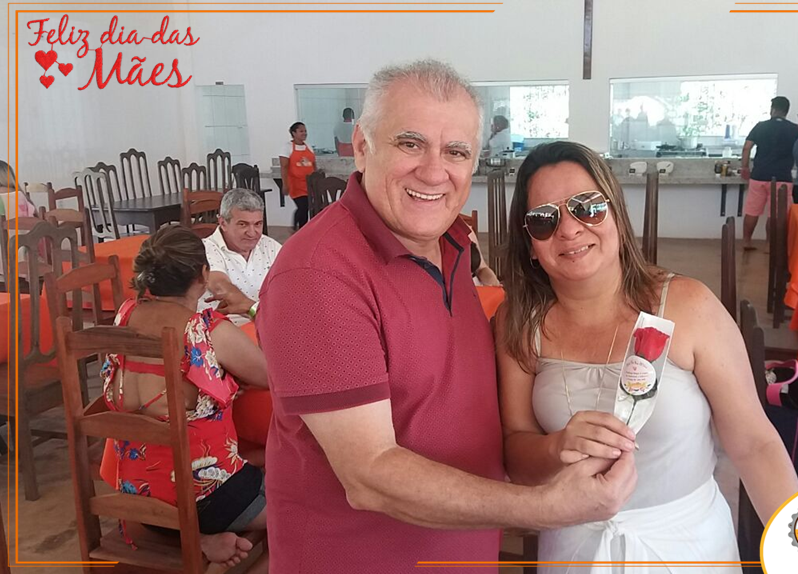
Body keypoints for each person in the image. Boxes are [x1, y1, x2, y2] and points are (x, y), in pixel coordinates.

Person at [256, 60, 636, 573]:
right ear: (362, 145)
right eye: (410, 143)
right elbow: (369, 475)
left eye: (455, 151)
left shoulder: (453, 243)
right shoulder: (318, 273)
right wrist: (543, 507)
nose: (434, 172)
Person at [497, 141, 798, 572]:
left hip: (688, 548)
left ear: (617, 215)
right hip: (574, 549)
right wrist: (556, 447)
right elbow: (516, 450)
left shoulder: (688, 305)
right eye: (544, 219)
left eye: (588, 207)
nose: (569, 230)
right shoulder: (519, 320)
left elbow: (754, 444)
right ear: (530, 244)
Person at [103, 226, 269, 572]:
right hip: (206, 501)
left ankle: (201, 541)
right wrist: (253, 311)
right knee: (307, 498)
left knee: (256, 462)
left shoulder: (124, 315)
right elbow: (273, 376)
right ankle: (214, 539)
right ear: (203, 275)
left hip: (137, 497)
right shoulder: (206, 329)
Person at [200, 189, 282, 325]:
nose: (252, 233)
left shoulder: (269, 245)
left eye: (258, 224)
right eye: (243, 224)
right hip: (223, 331)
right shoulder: (205, 249)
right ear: (223, 223)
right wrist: (257, 312)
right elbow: (220, 287)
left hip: (265, 326)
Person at [740, 96, 798, 250]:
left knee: (752, 211)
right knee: (776, 214)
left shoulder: (760, 126)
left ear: (772, 109)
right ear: (787, 111)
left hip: (759, 175)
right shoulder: (795, 129)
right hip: (782, 177)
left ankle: (746, 242)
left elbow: (746, 148)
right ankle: (769, 245)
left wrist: (745, 167)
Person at [279, 121, 317, 231]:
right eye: (301, 131)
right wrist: (285, 184)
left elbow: (314, 164)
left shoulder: (308, 146)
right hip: (295, 184)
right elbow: (284, 167)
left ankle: (298, 227)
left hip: (309, 184)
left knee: (306, 207)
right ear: (293, 133)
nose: (304, 133)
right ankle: (301, 229)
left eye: (305, 131)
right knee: (303, 206)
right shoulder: (287, 147)